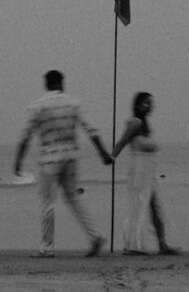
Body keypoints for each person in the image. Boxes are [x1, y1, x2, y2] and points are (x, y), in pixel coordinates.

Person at [14, 70, 113, 257]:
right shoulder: (73, 103)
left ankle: (47, 248)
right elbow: (91, 129)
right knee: (73, 199)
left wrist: (18, 161)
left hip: (48, 160)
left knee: (47, 203)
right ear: (61, 83)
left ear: (46, 84)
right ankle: (95, 236)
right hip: (71, 158)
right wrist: (103, 154)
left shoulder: (37, 107)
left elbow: (26, 136)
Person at [112, 92, 179, 255]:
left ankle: (163, 243)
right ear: (138, 105)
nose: (150, 106)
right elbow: (122, 141)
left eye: (151, 103)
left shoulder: (146, 126)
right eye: (146, 103)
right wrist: (111, 157)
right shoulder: (135, 123)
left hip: (150, 172)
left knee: (155, 207)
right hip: (139, 171)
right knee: (138, 206)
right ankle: (133, 245)